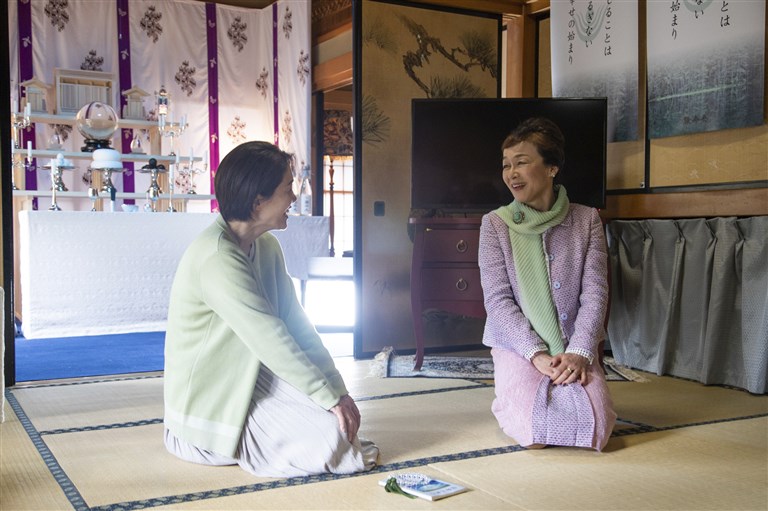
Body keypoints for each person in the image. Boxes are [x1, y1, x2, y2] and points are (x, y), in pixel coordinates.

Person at [163, 141, 379, 477]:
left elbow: (296, 325)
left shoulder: (266, 246)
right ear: (258, 201)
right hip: (209, 405)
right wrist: (326, 397)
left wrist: (338, 391)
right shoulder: (217, 258)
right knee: (333, 443)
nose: (293, 197)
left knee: (339, 429)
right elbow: (270, 338)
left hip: (249, 377)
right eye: (287, 188)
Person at [478, 117, 616, 451]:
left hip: (573, 343)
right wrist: (536, 354)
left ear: (552, 168)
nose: (511, 173)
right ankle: (510, 395)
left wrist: (580, 352)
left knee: (598, 429)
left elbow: (596, 293)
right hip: (517, 345)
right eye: (506, 165)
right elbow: (497, 301)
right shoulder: (494, 224)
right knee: (534, 436)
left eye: (521, 163)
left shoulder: (587, 220)